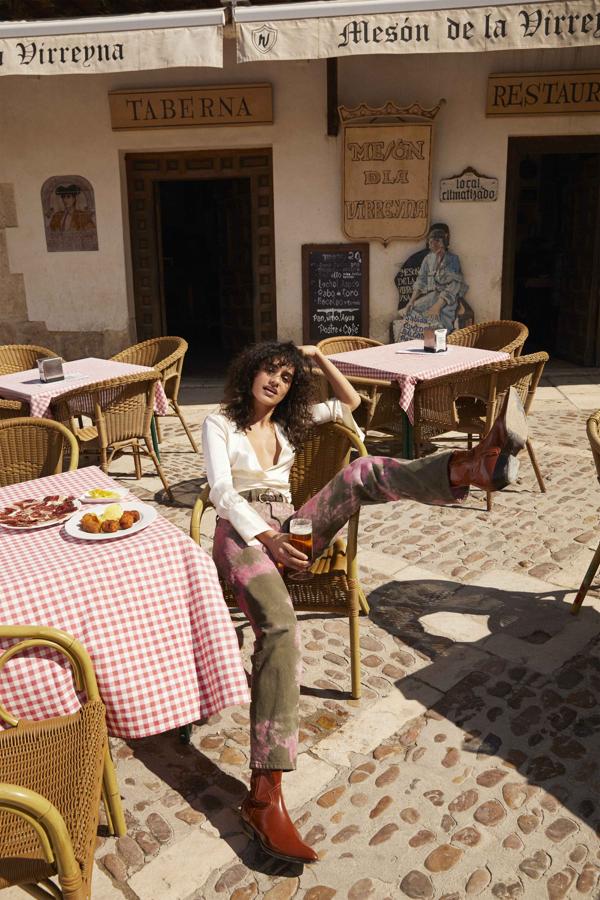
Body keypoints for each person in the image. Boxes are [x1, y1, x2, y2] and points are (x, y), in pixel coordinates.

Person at [202, 341, 527, 865]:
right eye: (270, 370)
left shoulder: (290, 422)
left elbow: (351, 403)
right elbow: (221, 491)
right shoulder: (219, 423)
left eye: (287, 377)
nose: (277, 382)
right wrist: (266, 538)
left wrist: (319, 359)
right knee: (282, 628)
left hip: (296, 526)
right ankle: (264, 796)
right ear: (250, 370)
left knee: (362, 470)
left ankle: (469, 467)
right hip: (243, 536)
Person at [397, 225, 468, 341]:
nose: (433, 244)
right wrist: (411, 301)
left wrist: (437, 306)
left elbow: (454, 286)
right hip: (432, 296)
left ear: (443, 242)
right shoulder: (428, 259)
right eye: (431, 242)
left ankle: (435, 346)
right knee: (412, 312)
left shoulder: (453, 259)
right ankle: (413, 345)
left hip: (446, 300)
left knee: (438, 321)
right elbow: (421, 281)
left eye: (437, 241)